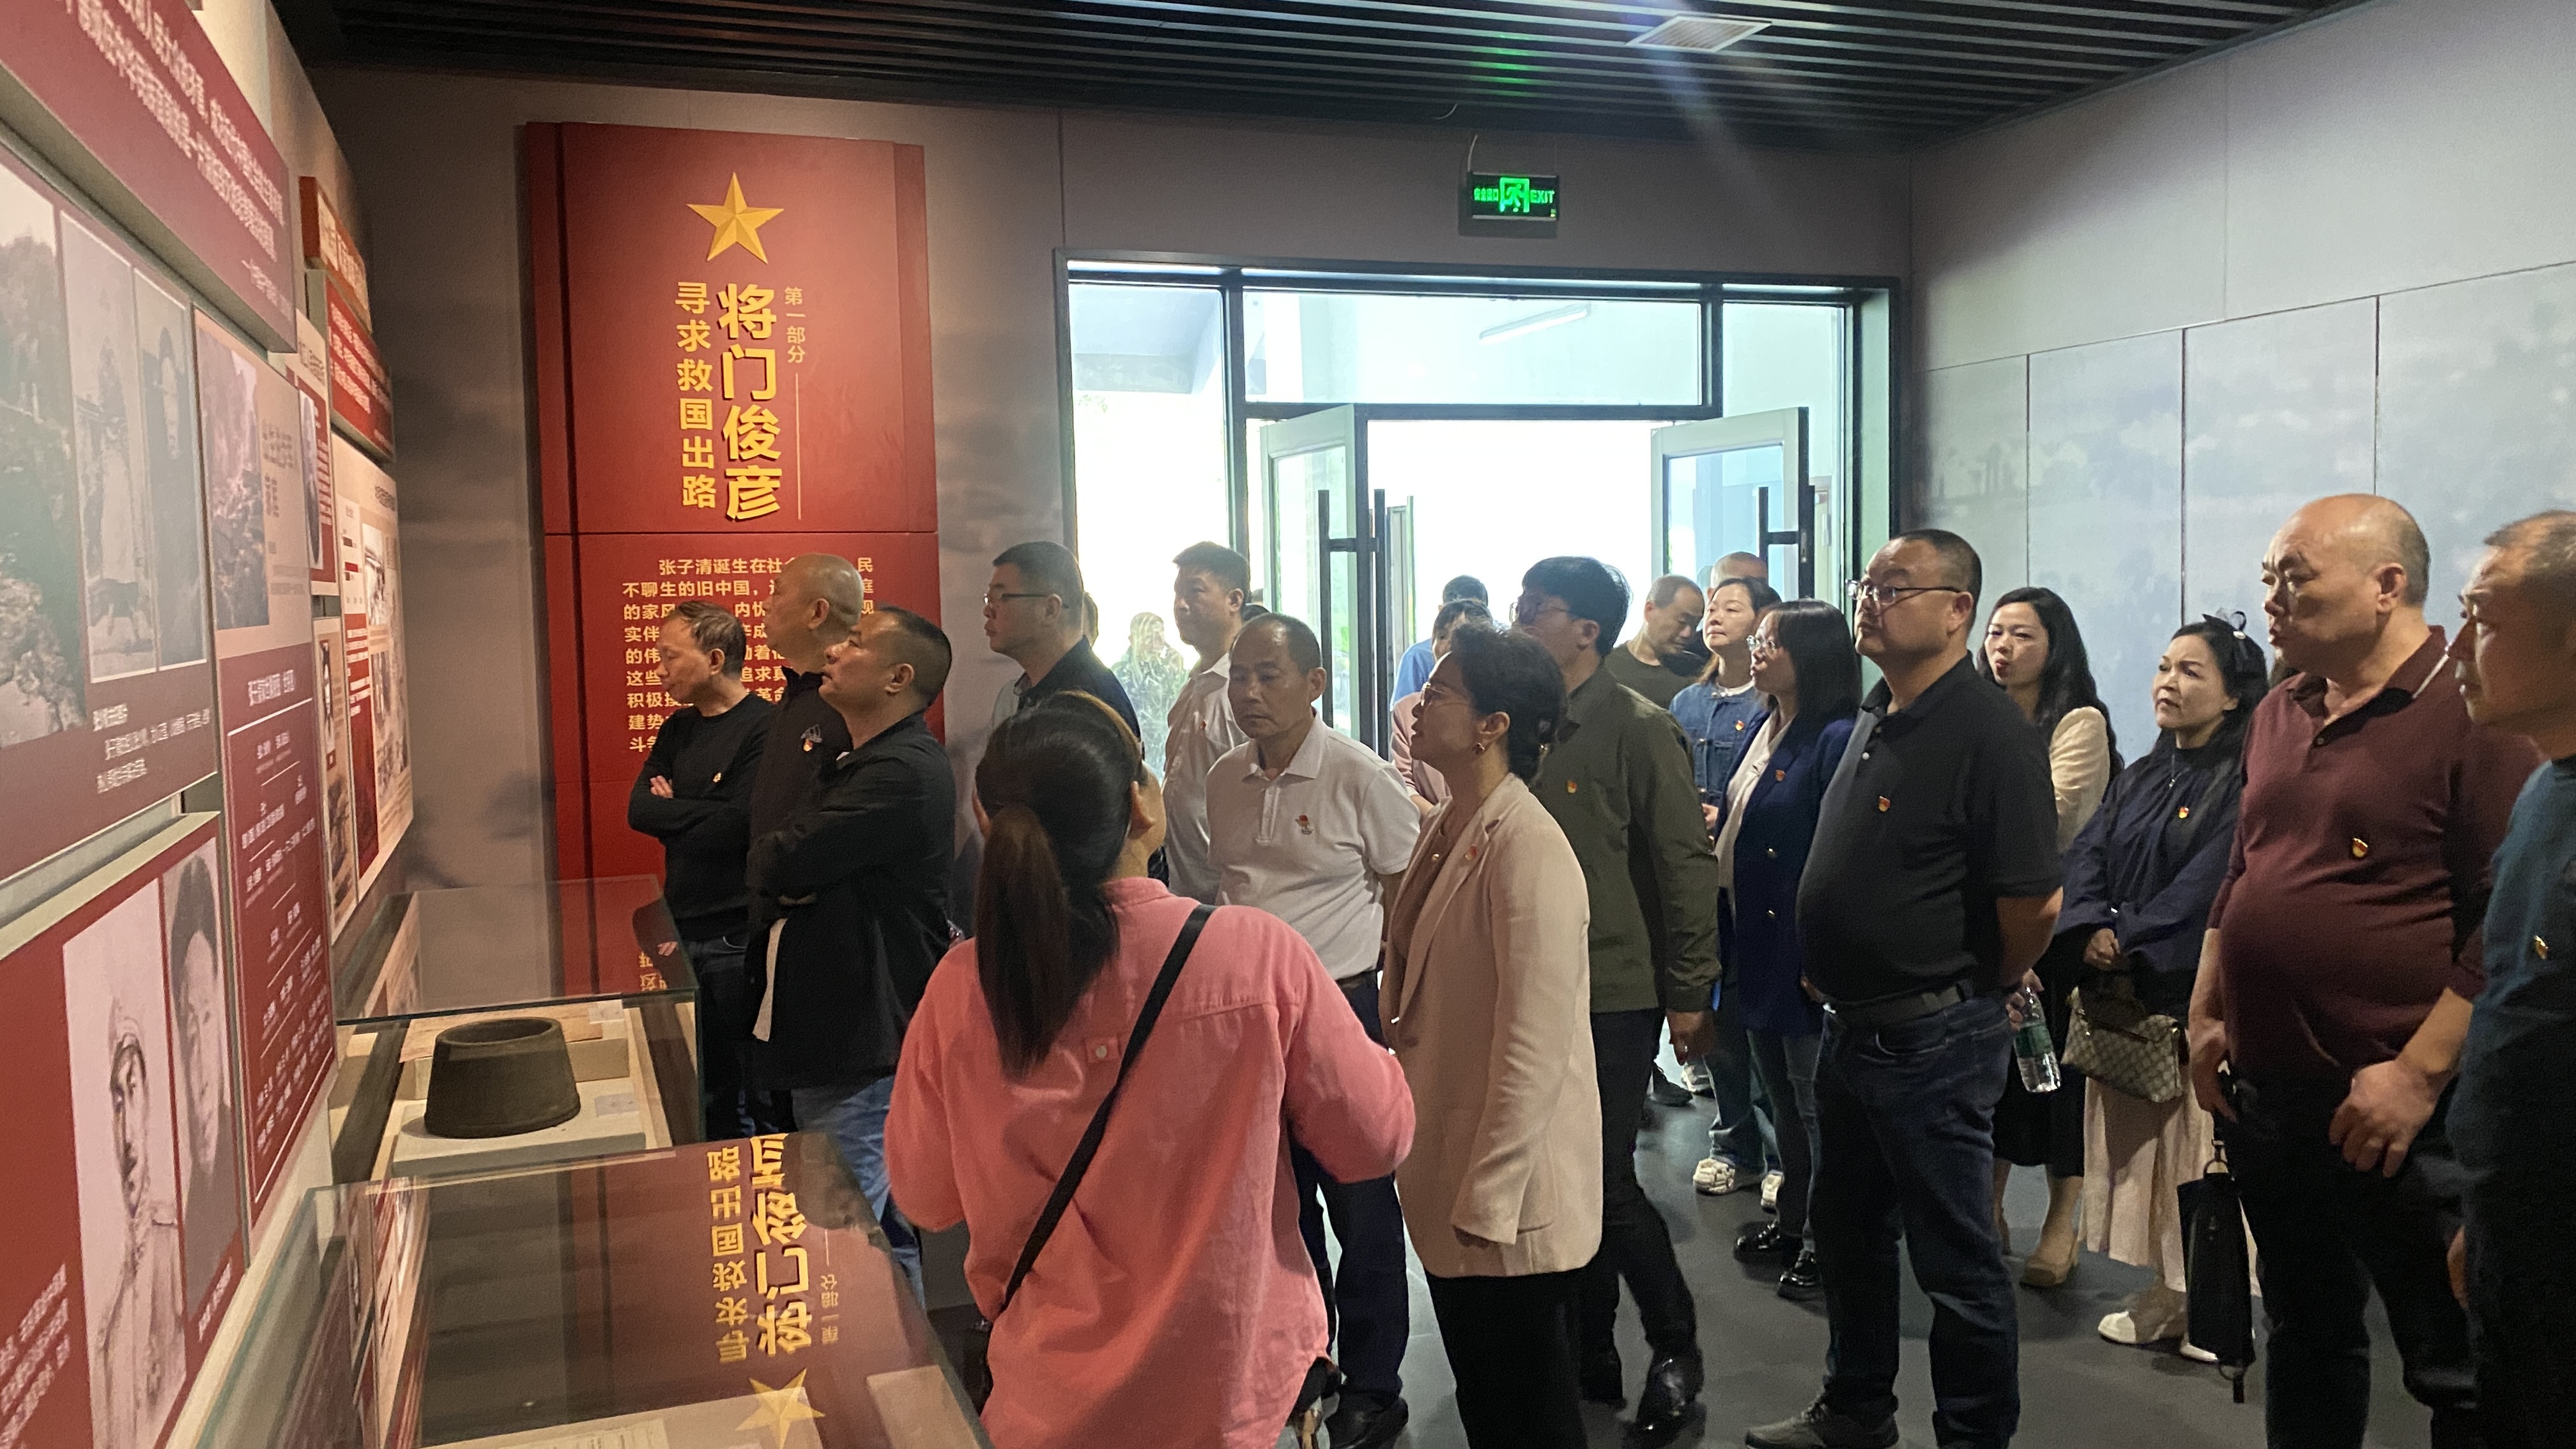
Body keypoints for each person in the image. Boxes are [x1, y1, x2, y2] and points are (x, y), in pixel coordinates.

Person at [885, 694, 1413, 1449]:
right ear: (1141, 807)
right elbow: (1376, 1139)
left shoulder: (962, 988)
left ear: (985, 818)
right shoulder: (1253, 955)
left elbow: (926, 1196)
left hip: (1050, 1402)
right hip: (1234, 1393)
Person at [2186, 494, 2538, 1449]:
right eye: (2268, 579)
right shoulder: (2281, 708)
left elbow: (2502, 920)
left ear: (2387, 586)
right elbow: (2243, 870)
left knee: (2455, 1362)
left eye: (2294, 579)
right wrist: (2208, 1014)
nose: (2272, 600)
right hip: (2271, 1093)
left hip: (2396, 1108)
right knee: (2304, 1331)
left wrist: (2417, 1076)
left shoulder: (2473, 709)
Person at [1748, 529, 2060, 1449]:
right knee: (1849, 1235)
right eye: (1866, 586)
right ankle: (1855, 1409)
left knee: (1956, 1262)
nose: (1869, 602)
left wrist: (1977, 985)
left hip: (1934, 1035)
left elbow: (2034, 904)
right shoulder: (1880, 712)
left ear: (1958, 609)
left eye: (1894, 588)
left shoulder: (1988, 732)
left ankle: (1973, 1435)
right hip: (1852, 1027)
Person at [1206, 614, 1421, 1448]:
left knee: (1361, 1204)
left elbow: (1407, 893)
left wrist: (1398, 1006)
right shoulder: (1224, 777)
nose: (1250, 693)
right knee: (1277, 1203)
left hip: (1340, 1010)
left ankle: (1375, 1383)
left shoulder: (1359, 775)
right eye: (1240, 677)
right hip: (1249, 1021)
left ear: (1315, 683)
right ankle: (1307, 1358)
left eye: (1269, 675)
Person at [1517, 555, 1718, 1443]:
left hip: (1613, 990)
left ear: (1586, 630)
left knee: (1602, 1182)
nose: (1521, 617)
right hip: (1530, 989)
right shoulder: (1521, 727)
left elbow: (1683, 864)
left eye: (1538, 607)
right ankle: (1588, 1351)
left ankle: (1676, 1346)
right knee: (1558, 1181)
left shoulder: (1638, 727)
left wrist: (1691, 991)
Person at [1382, 627, 1598, 1447]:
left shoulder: (1529, 846)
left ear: (1492, 725)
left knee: (1529, 1411)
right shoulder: (1452, 822)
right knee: (1488, 1397)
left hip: (1505, 1191)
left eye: (1440, 692)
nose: (1419, 704)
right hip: (1450, 1157)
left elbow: (1535, 1046)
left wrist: (1493, 1192)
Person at [2058, 616, 2267, 1350]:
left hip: (2185, 994)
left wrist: (2132, 935)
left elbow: (2211, 883)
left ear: (2234, 695)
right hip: (2125, 997)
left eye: (2190, 671)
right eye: (2163, 667)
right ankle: (2168, 1291)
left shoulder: (2245, 781)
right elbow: (2088, 853)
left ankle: (2212, 1306)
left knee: (2195, 1154)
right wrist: (2090, 922)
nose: (2167, 683)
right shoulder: (2146, 773)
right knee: (2144, 1158)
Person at [746, 606, 957, 1296]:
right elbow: (778, 855)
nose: (834, 651)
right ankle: (900, 1358)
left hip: (860, 1038)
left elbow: (779, 859)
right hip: (832, 1029)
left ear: (899, 677)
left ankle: (884, 1361)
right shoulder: (857, 760)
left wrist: (790, 873)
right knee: (874, 1228)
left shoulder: (901, 771)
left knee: (843, 1232)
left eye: (856, 643)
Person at [2445, 510, 2576, 1448]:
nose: (2459, 649)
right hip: (2516, 1224)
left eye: (2484, 620)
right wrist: (2483, 1219)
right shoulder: (2542, 789)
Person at [1715, 600, 1862, 1302]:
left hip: (1799, 948)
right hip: (1753, 937)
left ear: (1813, 656)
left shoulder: (1836, 737)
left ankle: (1831, 1244)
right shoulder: (1764, 723)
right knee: (1779, 1096)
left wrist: (1822, 954)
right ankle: (1795, 1219)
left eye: (1771, 642)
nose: (1757, 650)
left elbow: (1840, 856)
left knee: (1814, 1106)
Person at [1977, 585, 2118, 1288]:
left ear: (2055, 646)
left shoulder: (2079, 721)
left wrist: (1971, 819)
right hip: (1984, 917)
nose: (2004, 647)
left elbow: (2056, 819)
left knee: (2056, 1080)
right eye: (1997, 632)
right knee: (1995, 1079)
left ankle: (2063, 1223)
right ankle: (1989, 1208)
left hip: (2055, 925)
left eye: (2022, 635)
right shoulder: (1975, 712)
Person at [628, 599, 775, 1139]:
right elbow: (639, 810)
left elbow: (738, 827)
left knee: (753, 1085)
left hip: (737, 932)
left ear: (715, 660)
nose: (659, 669)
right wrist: (701, 808)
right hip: (681, 928)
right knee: (704, 1084)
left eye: (670, 656)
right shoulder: (678, 728)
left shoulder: (766, 728)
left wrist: (677, 807)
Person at [741, 551, 872, 1135]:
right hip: (780, 950)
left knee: (845, 1161)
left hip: (836, 974)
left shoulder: (849, 709)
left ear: (818, 612)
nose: (765, 605)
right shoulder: (794, 700)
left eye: (776, 592)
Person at [1671, 573, 1786, 1196]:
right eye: (1711, 607)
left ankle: (1780, 1156)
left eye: (1730, 607)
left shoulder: (1772, 705)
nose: (1713, 616)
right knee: (1717, 1020)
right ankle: (1734, 1142)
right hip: (1699, 879)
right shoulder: (1687, 703)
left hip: (1755, 883)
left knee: (1761, 1021)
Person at [1162, 541, 1250, 903]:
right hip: (1182, 886)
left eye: (1195, 591)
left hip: (1226, 893)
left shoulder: (1246, 690)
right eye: (1177, 593)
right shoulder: (1197, 680)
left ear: (1234, 600)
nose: (1181, 605)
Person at [986, 540, 1138, 736]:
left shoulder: (1082, 708)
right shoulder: (1042, 689)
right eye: (989, 599)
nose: (988, 611)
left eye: (1001, 598)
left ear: (1050, 610)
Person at [1390, 597, 1492, 807]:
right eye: (1441, 636)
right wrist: (1440, 819)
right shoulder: (1407, 709)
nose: (1446, 646)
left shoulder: (1493, 706)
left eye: (1457, 638)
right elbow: (1402, 781)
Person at [1604, 574, 1707, 709]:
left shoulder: (1699, 672)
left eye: (1695, 625)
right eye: (1682, 621)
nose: (1688, 633)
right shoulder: (1606, 666)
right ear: (1649, 611)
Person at [1392, 574, 1489, 705]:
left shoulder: (1497, 655)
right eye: (1454, 611)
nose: (1464, 619)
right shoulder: (1417, 656)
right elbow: (1404, 710)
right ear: (1441, 611)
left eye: (1473, 612)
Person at [1110, 611, 1187, 765]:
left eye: (1160, 638)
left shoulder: (1169, 670)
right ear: (1133, 640)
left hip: (1164, 757)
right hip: (1130, 757)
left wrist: (1177, 675)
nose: (1156, 644)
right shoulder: (1119, 674)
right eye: (1148, 638)